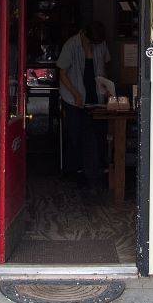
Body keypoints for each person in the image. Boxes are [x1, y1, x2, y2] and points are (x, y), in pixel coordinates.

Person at [57, 21, 110, 198]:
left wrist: (107, 89)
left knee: (97, 134)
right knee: (76, 135)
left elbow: (105, 67)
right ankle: (78, 173)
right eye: (92, 42)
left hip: (95, 97)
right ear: (85, 35)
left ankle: (96, 171)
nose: (95, 45)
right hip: (74, 98)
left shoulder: (100, 44)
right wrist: (76, 94)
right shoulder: (71, 45)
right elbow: (62, 73)